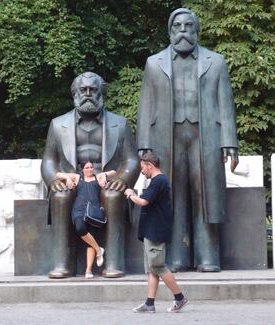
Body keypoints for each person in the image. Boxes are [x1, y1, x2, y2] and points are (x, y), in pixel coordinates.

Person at [136, 7, 239, 272]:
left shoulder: (215, 61)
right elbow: (146, 105)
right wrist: (144, 144)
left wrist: (230, 140)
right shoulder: (154, 63)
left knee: (206, 195)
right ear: (170, 31)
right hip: (166, 136)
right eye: (177, 27)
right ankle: (178, 257)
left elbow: (225, 102)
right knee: (172, 195)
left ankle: (208, 257)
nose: (183, 31)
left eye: (188, 26)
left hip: (206, 136)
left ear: (196, 30)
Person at [41, 72, 139, 278]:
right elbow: (48, 161)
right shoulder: (58, 125)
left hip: (106, 181)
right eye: (82, 90)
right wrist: (53, 180)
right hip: (73, 180)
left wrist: (122, 178)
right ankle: (62, 264)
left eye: (93, 90)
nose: (87, 94)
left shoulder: (119, 124)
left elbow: (131, 160)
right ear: (74, 94)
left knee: (112, 196)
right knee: (60, 196)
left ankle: (114, 263)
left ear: (101, 93)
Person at [124, 152, 188, 313]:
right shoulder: (156, 181)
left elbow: (143, 201)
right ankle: (149, 304)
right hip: (150, 230)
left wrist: (130, 194)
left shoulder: (159, 180)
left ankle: (180, 298)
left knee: (158, 266)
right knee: (152, 268)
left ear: (149, 165)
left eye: (143, 168)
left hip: (156, 231)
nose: (142, 172)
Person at [56, 160, 117, 278]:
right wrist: (67, 178)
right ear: (82, 169)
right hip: (79, 209)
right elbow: (58, 174)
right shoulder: (78, 177)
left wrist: (104, 175)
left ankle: (88, 270)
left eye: (91, 167)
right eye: (87, 167)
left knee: (91, 238)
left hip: (93, 211)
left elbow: (114, 172)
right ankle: (99, 250)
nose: (90, 169)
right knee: (80, 228)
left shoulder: (98, 177)